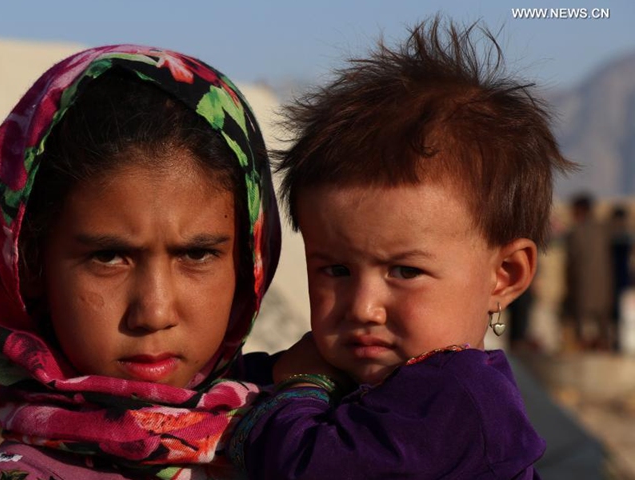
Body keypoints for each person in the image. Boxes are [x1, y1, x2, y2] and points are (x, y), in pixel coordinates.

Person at [228, 18, 576, 479]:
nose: (364, 308)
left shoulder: (461, 399)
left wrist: (298, 383)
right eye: (335, 270)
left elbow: (311, 468)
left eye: (404, 272)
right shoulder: (365, 373)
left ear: (506, 274)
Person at [0, 44, 281, 479]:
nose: (154, 312)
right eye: (108, 256)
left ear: (251, 259)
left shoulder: (311, 441)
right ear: (28, 266)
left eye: (196, 254)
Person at [564, 193, 614, 350]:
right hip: (604, 287)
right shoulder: (604, 230)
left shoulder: (576, 232)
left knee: (582, 331)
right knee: (602, 328)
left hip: (582, 287)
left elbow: (571, 262)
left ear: (579, 210)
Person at [608, 204, 633, 351]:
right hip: (614, 284)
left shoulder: (624, 238)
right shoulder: (617, 238)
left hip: (622, 284)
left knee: (624, 318)